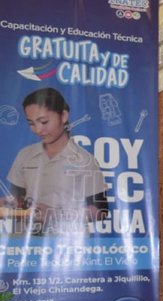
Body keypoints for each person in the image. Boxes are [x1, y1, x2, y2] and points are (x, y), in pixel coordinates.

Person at [5, 87, 108, 234]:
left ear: (64, 116)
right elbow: (17, 199)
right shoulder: (25, 155)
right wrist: (7, 204)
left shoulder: (85, 160)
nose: (38, 130)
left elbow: (100, 211)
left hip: (66, 246)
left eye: (44, 121)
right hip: (25, 244)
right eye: (31, 123)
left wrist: (55, 214)